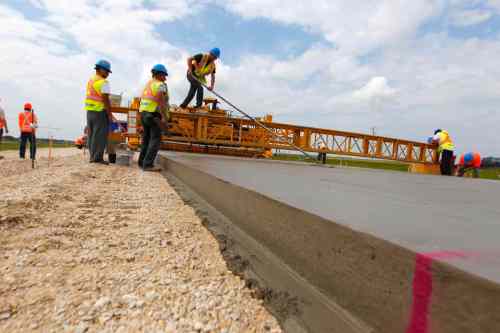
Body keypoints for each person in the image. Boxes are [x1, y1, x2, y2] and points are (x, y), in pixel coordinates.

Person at [138, 64, 170, 172]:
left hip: (143, 113)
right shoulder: (161, 85)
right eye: (164, 75)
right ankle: (148, 165)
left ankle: (142, 162)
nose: (165, 78)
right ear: (159, 74)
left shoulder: (148, 84)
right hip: (153, 114)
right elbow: (160, 101)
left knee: (146, 139)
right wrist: (165, 117)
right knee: (156, 139)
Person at [85, 59, 113, 164]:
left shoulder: (91, 80)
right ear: (100, 69)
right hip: (99, 111)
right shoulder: (104, 82)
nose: (107, 74)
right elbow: (105, 99)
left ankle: (93, 156)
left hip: (90, 111)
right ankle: (97, 158)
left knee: (92, 135)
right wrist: (110, 114)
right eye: (106, 71)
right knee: (100, 135)